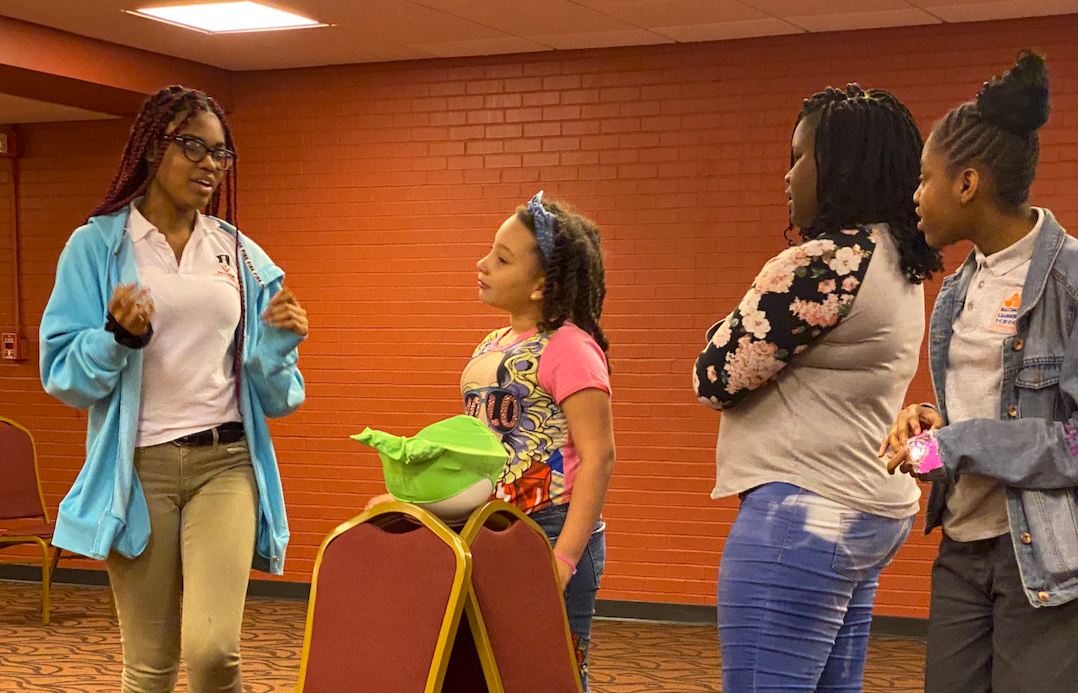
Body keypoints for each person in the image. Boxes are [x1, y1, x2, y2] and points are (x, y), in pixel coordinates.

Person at [39, 85, 308, 693]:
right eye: (195, 147)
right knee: (150, 667)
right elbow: (63, 374)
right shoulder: (98, 247)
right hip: (138, 472)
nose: (210, 164)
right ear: (151, 148)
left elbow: (278, 396)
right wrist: (117, 338)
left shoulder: (238, 254)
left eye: (221, 153)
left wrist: (280, 347)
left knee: (214, 653)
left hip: (227, 463)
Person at [693, 85, 942, 691]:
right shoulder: (898, 258)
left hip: (802, 508)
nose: (788, 175)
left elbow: (715, 376)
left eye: (800, 156)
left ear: (842, 167)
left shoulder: (828, 261)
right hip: (865, 508)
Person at [881, 51, 1077, 693]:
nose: (914, 197)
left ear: (967, 184)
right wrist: (931, 433)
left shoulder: (1070, 281)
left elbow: (1071, 443)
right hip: (962, 548)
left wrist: (954, 442)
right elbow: (987, 421)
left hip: (1043, 557)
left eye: (924, 178)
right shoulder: (959, 289)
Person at [366, 192, 615, 689]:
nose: (482, 264)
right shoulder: (491, 345)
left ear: (542, 285)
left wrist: (563, 558)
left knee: (550, 674)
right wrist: (415, 499)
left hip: (548, 527)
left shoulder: (570, 347)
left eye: (501, 259)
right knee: (486, 670)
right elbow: (478, 455)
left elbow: (599, 457)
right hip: (487, 526)